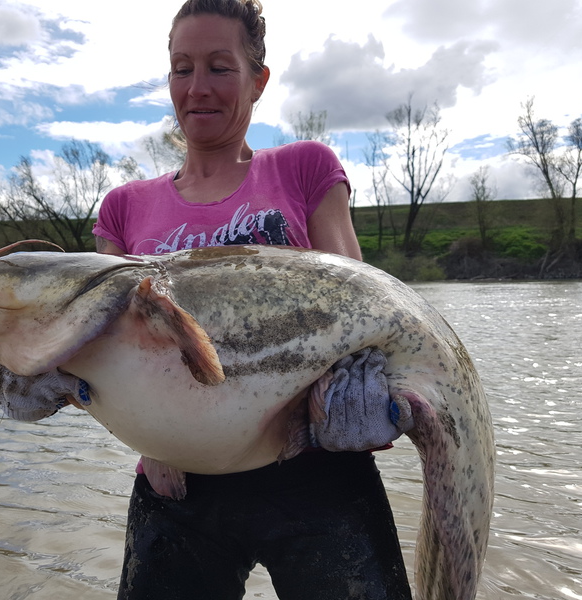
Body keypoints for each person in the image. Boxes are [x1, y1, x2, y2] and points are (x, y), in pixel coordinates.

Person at [93, 1, 412, 598]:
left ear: (258, 80)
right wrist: (48, 372)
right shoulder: (122, 208)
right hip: (175, 486)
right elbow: (104, 344)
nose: (198, 87)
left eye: (220, 67)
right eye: (182, 68)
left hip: (317, 471)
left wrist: (374, 384)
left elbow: (364, 310)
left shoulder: (305, 168)